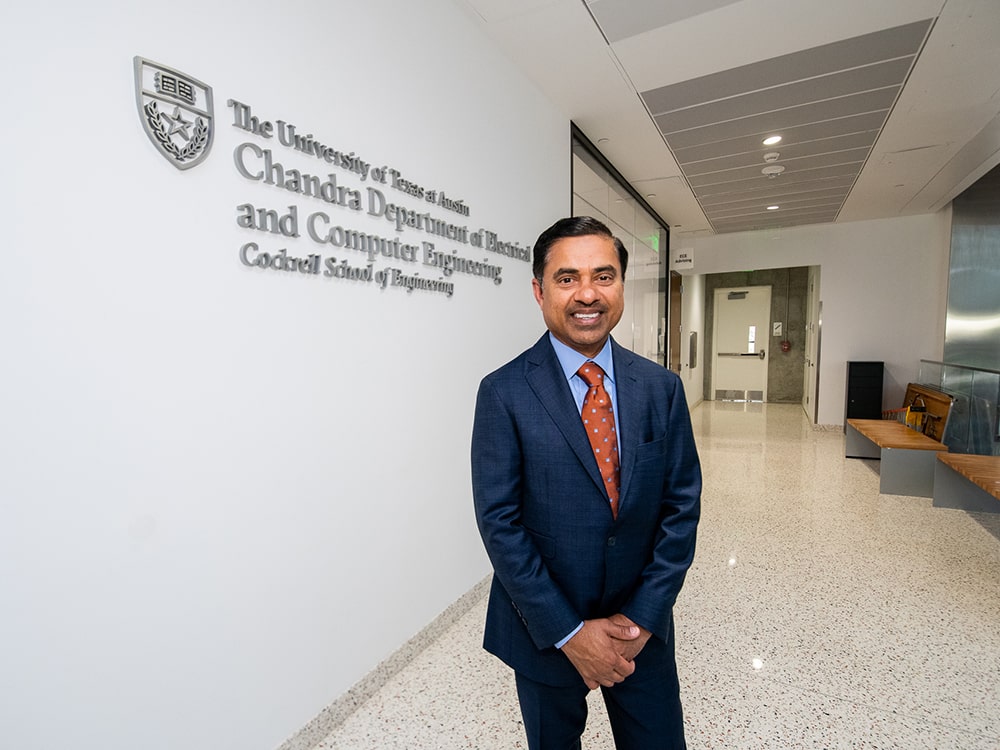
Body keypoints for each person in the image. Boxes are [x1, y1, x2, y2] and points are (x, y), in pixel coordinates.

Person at [471, 216, 701, 749]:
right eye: (567, 278)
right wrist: (571, 634)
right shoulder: (503, 393)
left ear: (622, 283)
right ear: (539, 290)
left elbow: (680, 506)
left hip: (639, 627)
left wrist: (642, 620)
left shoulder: (661, 388)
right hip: (544, 629)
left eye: (603, 275)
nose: (587, 294)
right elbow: (499, 524)